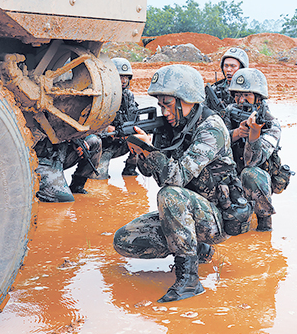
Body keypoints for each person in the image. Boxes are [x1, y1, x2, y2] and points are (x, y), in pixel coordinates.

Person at [113, 64, 250, 303]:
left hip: (216, 216)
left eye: (168, 104)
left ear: (187, 99)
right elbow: (154, 175)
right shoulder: (171, 127)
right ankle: (196, 248)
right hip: (187, 213)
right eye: (161, 105)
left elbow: (175, 179)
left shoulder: (212, 128)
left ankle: (189, 280)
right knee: (125, 240)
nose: (164, 111)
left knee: (170, 194)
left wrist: (151, 150)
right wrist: (141, 153)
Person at [224, 68, 281, 231]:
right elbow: (211, 144)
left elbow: (253, 161)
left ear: (258, 97)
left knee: (252, 174)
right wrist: (234, 134)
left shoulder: (271, 124)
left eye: (246, 95)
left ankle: (264, 219)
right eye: (237, 95)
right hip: (231, 175)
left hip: (258, 178)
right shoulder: (229, 112)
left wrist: (253, 134)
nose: (241, 100)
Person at [92, 57, 140, 179]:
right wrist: (108, 130)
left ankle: (130, 170)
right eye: (120, 77)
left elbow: (135, 118)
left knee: (140, 142)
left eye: (126, 77)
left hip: (123, 141)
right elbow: (90, 126)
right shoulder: (102, 95)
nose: (124, 81)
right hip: (104, 145)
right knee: (99, 178)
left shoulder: (129, 96)